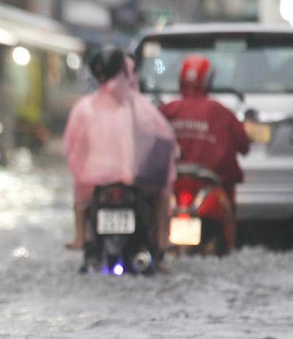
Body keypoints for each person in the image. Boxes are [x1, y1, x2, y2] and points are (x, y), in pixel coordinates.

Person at [64, 45, 177, 252]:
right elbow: (164, 139)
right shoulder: (140, 106)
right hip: (137, 177)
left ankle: (80, 237)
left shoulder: (84, 107)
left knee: (79, 195)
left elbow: (71, 145)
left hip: (93, 177)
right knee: (162, 193)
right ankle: (162, 238)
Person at [159, 53, 250, 210]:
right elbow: (244, 146)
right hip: (212, 187)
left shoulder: (167, 110)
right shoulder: (221, 112)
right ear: (209, 81)